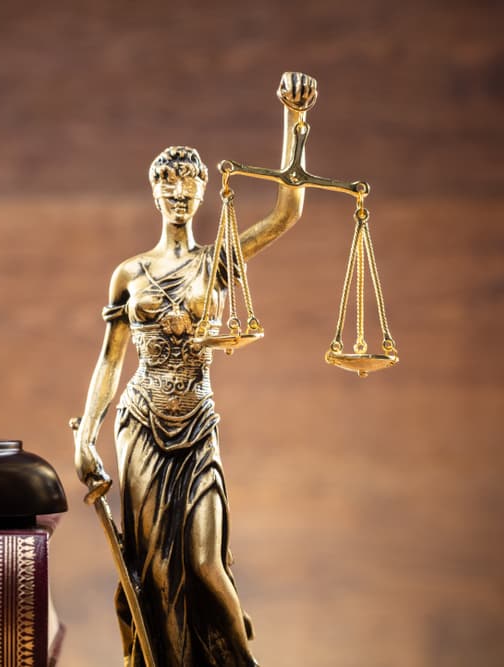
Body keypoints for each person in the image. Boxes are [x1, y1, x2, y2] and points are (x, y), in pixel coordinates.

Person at [73, 73, 316, 667]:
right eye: (169, 189)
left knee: (206, 567)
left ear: (204, 193)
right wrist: (86, 435)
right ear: (155, 194)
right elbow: (110, 359)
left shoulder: (217, 261)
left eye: (189, 189)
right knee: (151, 570)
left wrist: (295, 120)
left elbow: (287, 211)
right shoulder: (127, 274)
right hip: (141, 425)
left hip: (196, 424)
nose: (179, 198)